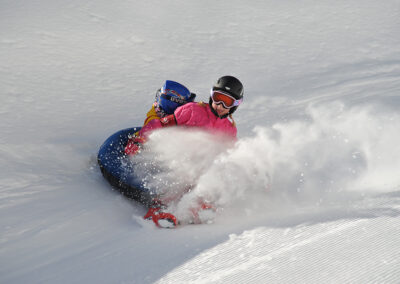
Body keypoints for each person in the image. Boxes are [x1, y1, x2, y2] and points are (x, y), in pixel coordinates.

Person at [129, 75, 244, 227]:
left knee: (210, 179)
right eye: (217, 98)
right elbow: (162, 125)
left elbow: (230, 153)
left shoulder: (229, 129)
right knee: (175, 181)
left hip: (201, 168)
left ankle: (198, 208)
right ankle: (157, 211)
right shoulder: (193, 110)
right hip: (177, 160)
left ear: (235, 105)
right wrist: (141, 139)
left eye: (227, 102)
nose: (220, 105)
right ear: (211, 95)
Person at [124, 80, 196, 155]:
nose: (187, 108)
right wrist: (137, 144)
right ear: (173, 104)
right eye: (185, 105)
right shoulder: (155, 124)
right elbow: (138, 142)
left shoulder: (165, 112)